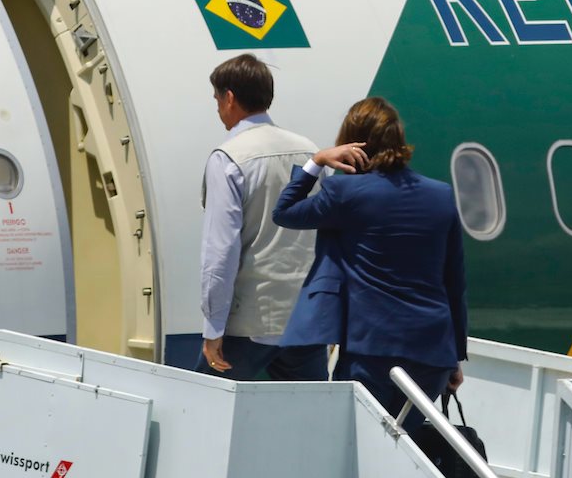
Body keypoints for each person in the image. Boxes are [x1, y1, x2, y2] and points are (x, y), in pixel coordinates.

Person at [272, 96, 466, 432]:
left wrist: (317, 161)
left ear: (353, 142)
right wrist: (454, 357)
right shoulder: (441, 194)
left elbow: (284, 212)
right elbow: (454, 282)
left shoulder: (345, 192)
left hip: (371, 352)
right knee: (405, 451)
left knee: (356, 447)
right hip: (431, 354)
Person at [194, 53, 327, 381]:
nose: (217, 109)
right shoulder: (310, 152)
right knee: (309, 421)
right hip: (305, 319)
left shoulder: (229, 158)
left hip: (250, 323)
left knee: (203, 410)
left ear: (229, 98)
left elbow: (220, 253)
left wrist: (213, 328)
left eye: (216, 99)